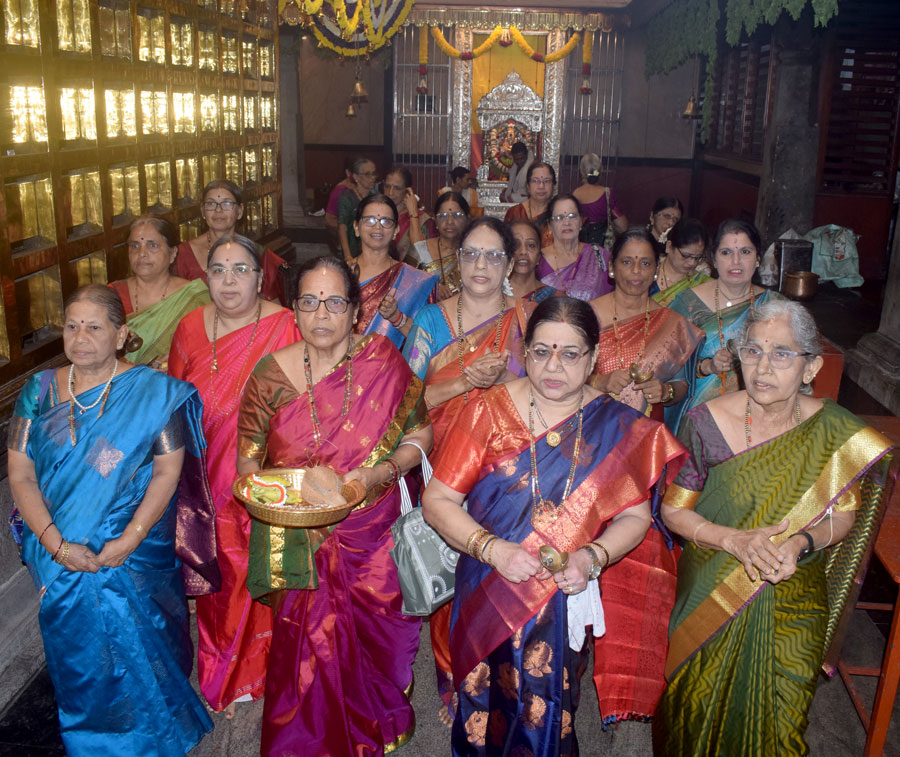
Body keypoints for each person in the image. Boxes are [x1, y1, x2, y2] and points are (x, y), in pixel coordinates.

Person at [421, 296, 686, 755]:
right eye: (541, 351)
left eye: (570, 354)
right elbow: (438, 500)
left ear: (594, 358)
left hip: (565, 593)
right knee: (484, 704)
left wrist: (592, 557)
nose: (553, 366)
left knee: (549, 707)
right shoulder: (488, 411)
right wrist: (492, 549)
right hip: (488, 583)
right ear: (525, 353)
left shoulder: (617, 424)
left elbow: (635, 516)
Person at [654, 300, 894, 756]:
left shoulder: (833, 431)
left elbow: (843, 517)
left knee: (783, 718)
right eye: (752, 351)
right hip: (713, 585)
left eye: (781, 354)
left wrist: (802, 541)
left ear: (811, 367)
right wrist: (733, 539)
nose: (763, 368)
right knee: (698, 708)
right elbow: (674, 512)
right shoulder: (705, 423)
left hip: (793, 591)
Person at [236, 256, 433, 756]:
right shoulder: (268, 376)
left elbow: (421, 435)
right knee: (306, 647)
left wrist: (378, 474)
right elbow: (248, 467)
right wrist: (282, 500)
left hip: (374, 533)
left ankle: (372, 723)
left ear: (356, 310)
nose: (321, 314)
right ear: (294, 309)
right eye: (309, 301)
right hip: (295, 535)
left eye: (335, 303)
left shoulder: (384, 361)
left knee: (378, 638)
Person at [7, 284, 215, 754]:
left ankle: (161, 732)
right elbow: (20, 475)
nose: (80, 338)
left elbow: (167, 471)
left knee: (146, 641)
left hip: (133, 547)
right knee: (79, 651)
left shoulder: (153, 393)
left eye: (94, 327)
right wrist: (56, 544)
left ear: (121, 336)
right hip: (57, 547)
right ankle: (93, 739)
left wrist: (130, 538)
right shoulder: (38, 391)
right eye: (71, 326)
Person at [403, 216, 532, 725]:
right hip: (443, 463)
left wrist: (503, 384)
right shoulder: (430, 322)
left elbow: (548, 392)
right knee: (451, 569)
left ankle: (502, 672)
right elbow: (405, 401)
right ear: (458, 260)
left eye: (493, 255)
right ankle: (454, 678)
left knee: (499, 570)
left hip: (508, 467)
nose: (481, 265)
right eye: (472, 254)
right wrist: (463, 384)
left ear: (509, 263)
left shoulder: (527, 321)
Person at [168, 234, 299, 718]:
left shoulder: (286, 325)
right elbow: (172, 403)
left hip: (268, 473)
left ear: (260, 278)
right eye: (218, 270)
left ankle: (268, 664)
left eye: (240, 269)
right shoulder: (189, 327)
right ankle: (226, 669)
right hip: (204, 475)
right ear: (206, 277)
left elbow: (305, 401)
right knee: (219, 574)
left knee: (262, 569)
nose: (228, 280)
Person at [667, 219, 782, 431]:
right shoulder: (687, 304)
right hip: (698, 419)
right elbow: (667, 366)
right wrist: (706, 366)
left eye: (745, 252)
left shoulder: (775, 306)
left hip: (759, 415)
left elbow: (791, 365)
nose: (736, 261)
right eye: (726, 252)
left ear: (758, 259)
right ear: (714, 259)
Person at [588, 227, 702, 426]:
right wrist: (600, 382)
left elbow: (681, 384)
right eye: (627, 262)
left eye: (645, 263)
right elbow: (565, 373)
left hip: (645, 431)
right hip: (592, 426)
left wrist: (665, 392)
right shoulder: (587, 316)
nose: (636, 270)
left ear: (656, 270)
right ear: (612, 267)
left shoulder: (671, 324)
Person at [108, 216, 210, 370]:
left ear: (173, 253)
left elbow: (210, 351)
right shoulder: (112, 295)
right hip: (120, 382)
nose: (142, 253)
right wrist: (129, 366)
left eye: (153, 245)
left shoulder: (194, 297)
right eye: (135, 246)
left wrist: (180, 361)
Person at [175, 179, 286, 303]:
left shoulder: (259, 254)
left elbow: (274, 306)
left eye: (227, 203)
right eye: (211, 204)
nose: (218, 210)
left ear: (240, 211)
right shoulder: (182, 255)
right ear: (202, 211)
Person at [351, 193, 438, 348]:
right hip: (344, 362)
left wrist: (396, 317)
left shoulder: (414, 281)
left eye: (386, 221)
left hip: (393, 363)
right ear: (356, 227)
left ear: (396, 231)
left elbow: (430, 340)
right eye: (370, 220)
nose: (378, 227)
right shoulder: (340, 275)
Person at [537, 194, 613, 301]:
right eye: (559, 218)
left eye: (572, 216)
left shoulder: (599, 256)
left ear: (581, 221)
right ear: (550, 225)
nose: (567, 222)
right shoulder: (538, 261)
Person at [411, 191, 469, 299]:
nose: (450, 221)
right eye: (442, 216)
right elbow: (404, 287)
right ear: (435, 220)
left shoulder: (474, 253)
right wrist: (430, 289)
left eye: (456, 215)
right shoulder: (420, 250)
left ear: (467, 218)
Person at [651, 218, 712, 306]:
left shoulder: (700, 283)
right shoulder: (649, 274)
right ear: (669, 247)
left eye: (698, 257)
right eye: (685, 256)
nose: (692, 263)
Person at [572, 153, 628, 244]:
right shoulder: (608, 194)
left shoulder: (574, 195)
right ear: (600, 170)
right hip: (601, 248)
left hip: (579, 248)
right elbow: (622, 227)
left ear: (581, 171)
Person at [383, 165, 434, 262]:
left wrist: (413, 213)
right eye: (387, 186)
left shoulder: (423, 220)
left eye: (397, 188)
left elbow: (427, 258)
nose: (390, 193)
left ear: (407, 191)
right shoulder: (377, 214)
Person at [504, 161, 555, 248]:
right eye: (535, 181)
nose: (541, 186)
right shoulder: (515, 213)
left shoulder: (558, 214)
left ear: (553, 185)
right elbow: (507, 246)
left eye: (546, 181)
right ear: (528, 185)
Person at [337, 157, 378, 261]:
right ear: (356, 177)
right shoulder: (347, 197)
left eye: (374, 173)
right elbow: (342, 227)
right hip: (353, 249)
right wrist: (348, 256)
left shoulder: (375, 197)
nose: (372, 177)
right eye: (367, 174)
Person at [508, 219, 556, 303]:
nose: (523, 252)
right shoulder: (492, 294)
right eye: (515, 245)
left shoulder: (553, 297)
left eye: (531, 245)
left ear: (539, 257)